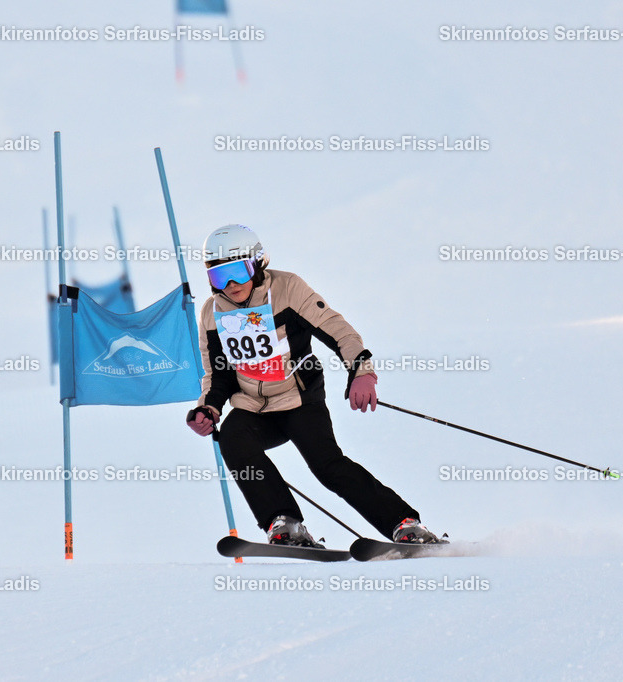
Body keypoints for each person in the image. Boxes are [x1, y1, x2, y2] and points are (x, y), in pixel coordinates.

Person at [185, 224, 441, 547]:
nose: (232, 285)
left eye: (238, 271)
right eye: (220, 277)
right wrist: (207, 407)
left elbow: (336, 329)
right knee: (233, 438)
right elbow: (217, 374)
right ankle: (284, 523)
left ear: (258, 262)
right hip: (253, 406)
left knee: (327, 466)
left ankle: (404, 524)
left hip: (298, 399)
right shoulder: (211, 313)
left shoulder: (287, 289)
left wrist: (361, 370)